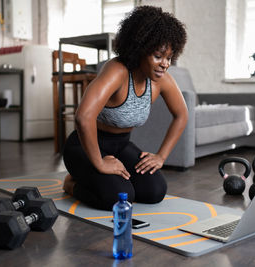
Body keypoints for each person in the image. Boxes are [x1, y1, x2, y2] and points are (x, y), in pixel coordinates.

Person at [62, 5, 188, 211]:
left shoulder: (161, 80)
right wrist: (100, 163)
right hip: (84, 147)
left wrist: (161, 156)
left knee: (155, 191)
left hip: (120, 146)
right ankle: (72, 184)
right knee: (118, 197)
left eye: (169, 58)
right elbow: (83, 117)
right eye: (158, 56)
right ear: (140, 49)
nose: (165, 64)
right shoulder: (117, 71)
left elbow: (181, 115)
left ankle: (103, 179)